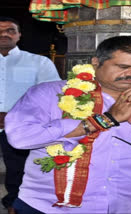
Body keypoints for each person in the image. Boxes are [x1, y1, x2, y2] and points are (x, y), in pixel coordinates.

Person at [4, 36, 131, 214]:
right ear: (96, 62)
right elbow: (19, 138)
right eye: (124, 67)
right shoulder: (49, 93)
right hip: (51, 206)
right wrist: (103, 120)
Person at [0, 16, 60, 214]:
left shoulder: (39, 62)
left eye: (10, 30)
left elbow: (53, 95)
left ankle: (14, 204)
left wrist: (12, 116)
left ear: (19, 35)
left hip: (21, 127)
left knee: (19, 168)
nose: (4, 34)